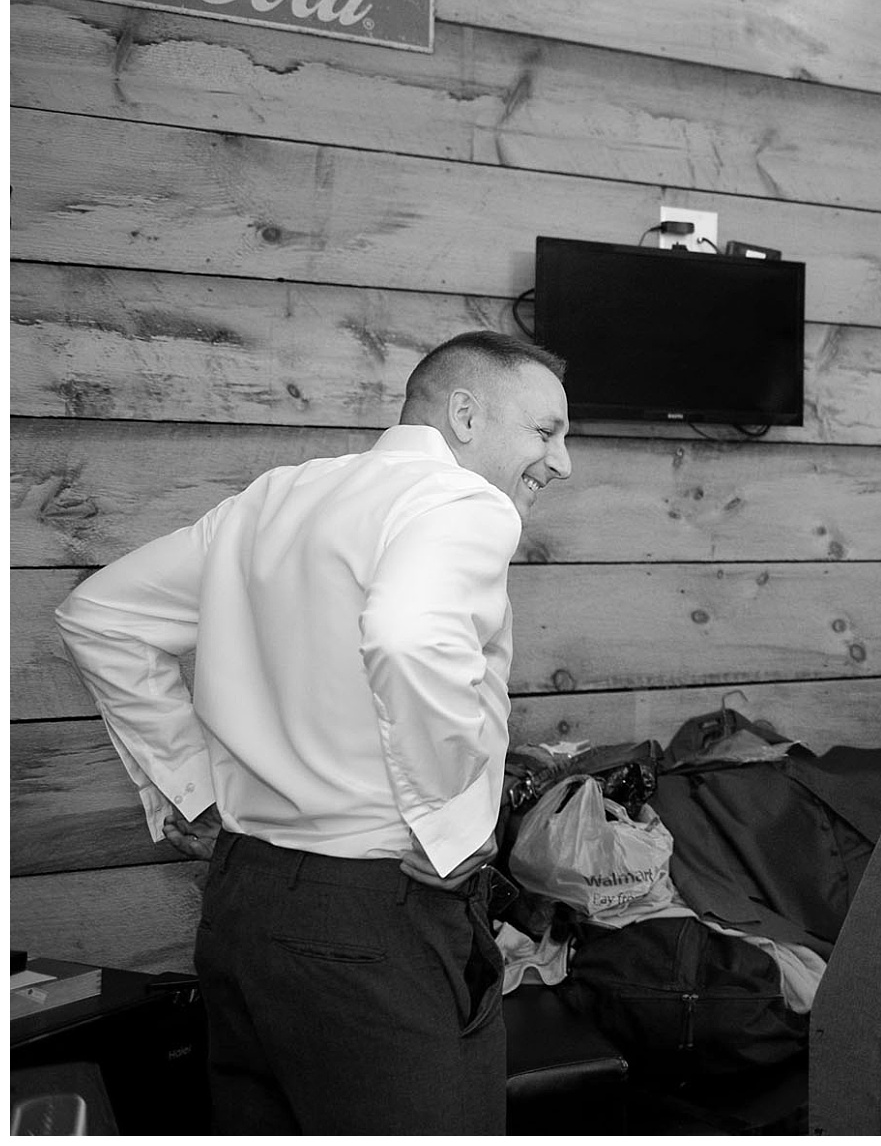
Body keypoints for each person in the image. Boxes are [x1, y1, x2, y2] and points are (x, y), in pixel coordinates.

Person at [54, 332, 573, 1134]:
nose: (561, 461)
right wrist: (448, 822)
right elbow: (405, 633)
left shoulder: (276, 497)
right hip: (376, 920)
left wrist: (190, 787)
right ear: (465, 414)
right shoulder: (463, 500)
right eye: (546, 431)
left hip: (242, 908)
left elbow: (102, 615)